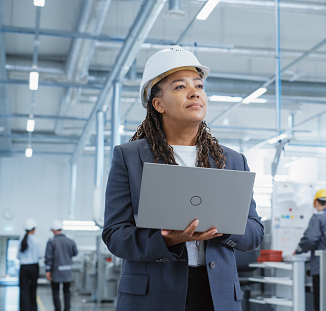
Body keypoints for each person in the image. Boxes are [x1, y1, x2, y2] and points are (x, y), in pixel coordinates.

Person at [102, 45, 264, 311]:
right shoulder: (130, 158)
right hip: (153, 295)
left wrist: (223, 228)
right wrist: (168, 241)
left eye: (199, 85)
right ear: (158, 103)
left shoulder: (233, 161)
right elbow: (115, 234)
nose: (194, 92)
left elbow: (255, 232)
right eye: (180, 87)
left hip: (217, 294)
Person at [45, 220, 78, 311]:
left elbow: (49, 258)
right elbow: (75, 253)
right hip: (67, 272)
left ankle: (57, 309)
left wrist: (48, 271)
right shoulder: (70, 241)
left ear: (53, 230)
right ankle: (67, 309)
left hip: (56, 272)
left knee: (56, 292)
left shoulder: (52, 242)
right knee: (67, 292)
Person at [17, 218, 42, 311]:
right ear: (33, 229)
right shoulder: (37, 241)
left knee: (24, 290)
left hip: (24, 267)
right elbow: (40, 255)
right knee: (33, 289)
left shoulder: (21, 240)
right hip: (34, 267)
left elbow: (18, 256)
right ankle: (33, 309)